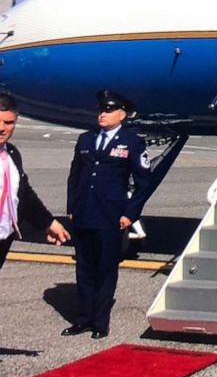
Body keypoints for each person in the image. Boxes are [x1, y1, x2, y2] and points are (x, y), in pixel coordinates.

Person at [63, 90, 151, 339]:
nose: (103, 114)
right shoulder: (86, 140)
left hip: (111, 215)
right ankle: (83, 319)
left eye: (109, 110)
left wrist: (130, 214)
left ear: (122, 115)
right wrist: (72, 207)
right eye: (101, 110)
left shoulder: (132, 142)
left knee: (105, 268)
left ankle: (100, 322)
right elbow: (75, 176)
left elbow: (144, 182)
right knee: (84, 268)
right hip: (83, 213)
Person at [0, 93, 70, 269]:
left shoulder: (12, 154)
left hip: (4, 238)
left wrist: (48, 222)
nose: (2, 128)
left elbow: (23, 195)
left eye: (9, 123)